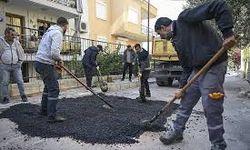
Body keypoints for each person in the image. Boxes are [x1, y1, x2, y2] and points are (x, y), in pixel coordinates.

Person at [154, 0, 236, 149]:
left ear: (163, 27)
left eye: (160, 34)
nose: (161, 37)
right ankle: (177, 132)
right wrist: (182, 87)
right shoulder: (176, 41)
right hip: (197, 70)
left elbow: (219, 5)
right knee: (185, 102)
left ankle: (218, 144)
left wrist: (228, 33)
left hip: (214, 65)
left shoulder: (185, 19)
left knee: (211, 107)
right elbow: (186, 67)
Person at [34, 17, 69, 123]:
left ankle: (44, 110)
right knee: (54, 89)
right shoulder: (58, 33)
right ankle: (52, 116)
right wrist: (60, 60)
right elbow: (54, 52)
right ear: (65, 26)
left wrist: (55, 62)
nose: (67, 29)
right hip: (45, 63)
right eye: (67, 27)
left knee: (48, 88)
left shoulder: (49, 32)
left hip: (39, 62)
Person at [0, 27, 27, 104]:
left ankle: (23, 95)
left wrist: (20, 62)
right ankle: (5, 97)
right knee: (4, 82)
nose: (13, 37)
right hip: (4, 66)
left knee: (20, 81)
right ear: (6, 34)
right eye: (12, 35)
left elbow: (21, 52)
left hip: (16, 66)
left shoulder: (16, 41)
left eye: (14, 35)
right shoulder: (1, 41)